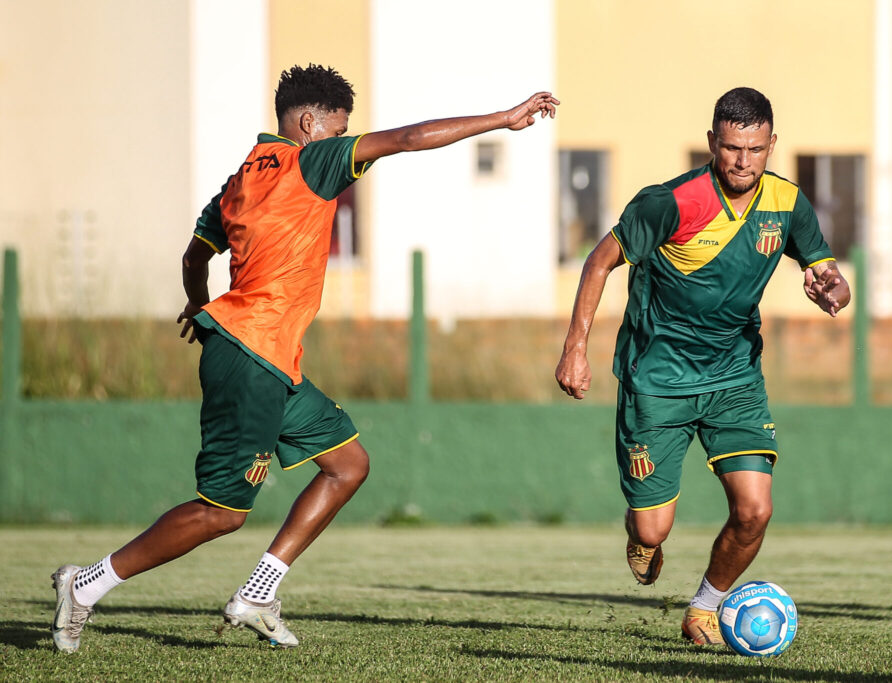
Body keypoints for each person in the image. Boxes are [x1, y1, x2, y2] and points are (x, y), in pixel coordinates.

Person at [50, 64, 559, 653]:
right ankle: (85, 585)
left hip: (266, 356)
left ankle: (259, 592)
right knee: (222, 513)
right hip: (252, 354)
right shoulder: (309, 161)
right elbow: (407, 138)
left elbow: (194, 256)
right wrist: (504, 118)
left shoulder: (240, 179)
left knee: (349, 464)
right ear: (310, 122)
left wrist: (199, 306)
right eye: (340, 127)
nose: (346, 139)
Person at [555, 87, 848, 645]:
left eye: (756, 150)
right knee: (652, 526)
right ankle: (642, 536)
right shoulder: (670, 202)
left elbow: (829, 273)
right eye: (732, 148)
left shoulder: (786, 204)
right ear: (712, 141)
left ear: (771, 145)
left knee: (755, 510)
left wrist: (832, 288)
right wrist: (575, 346)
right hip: (657, 380)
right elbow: (600, 260)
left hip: (734, 377)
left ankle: (705, 608)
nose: (743, 161)